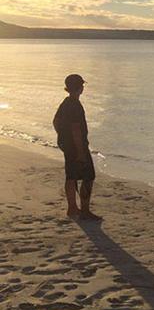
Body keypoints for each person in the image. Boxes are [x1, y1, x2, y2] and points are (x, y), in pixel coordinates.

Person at [53, 74, 101, 221]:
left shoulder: (65, 103)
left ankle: (72, 208)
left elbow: (55, 121)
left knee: (71, 176)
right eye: (82, 86)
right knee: (88, 177)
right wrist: (80, 151)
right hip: (76, 147)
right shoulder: (75, 105)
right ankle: (85, 211)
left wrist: (62, 138)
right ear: (80, 88)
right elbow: (76, 130)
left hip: (67, 146)